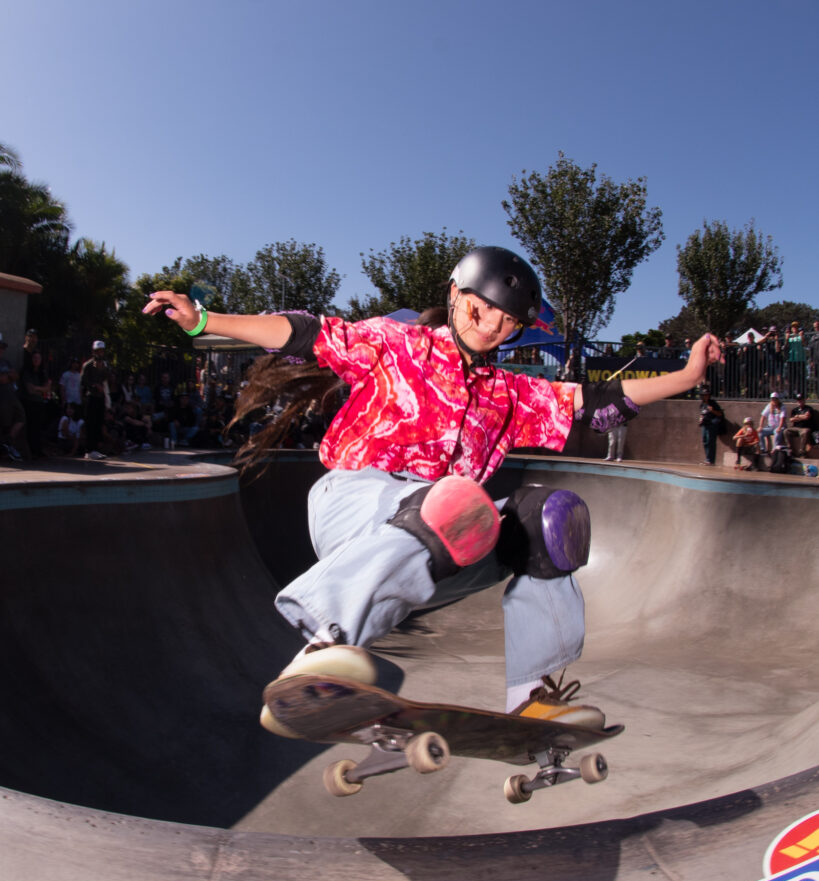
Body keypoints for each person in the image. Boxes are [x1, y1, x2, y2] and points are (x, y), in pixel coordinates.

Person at [144, 245, 721, 726]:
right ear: (454, 297)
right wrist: (204, 320)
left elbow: (596, 403)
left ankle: (532, 700)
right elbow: (305, 334)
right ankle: (323, 650)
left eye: (507, 323)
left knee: (549, 518)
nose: (491, 329)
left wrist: (689, 375)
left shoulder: (509, 393)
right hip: (355, 505)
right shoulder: (395, 345)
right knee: (453, 500)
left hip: (443, 543)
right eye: (479, 313)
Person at [80, 340, 110, 460]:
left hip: (100, 397)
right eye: (98, 351)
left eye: (102, 351)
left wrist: (103, 369)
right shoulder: (88, 365)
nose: (100, 353)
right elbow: (83, 381)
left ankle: (96, 448)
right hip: (91, 396)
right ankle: (89, 449)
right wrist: (94, 386)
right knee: (90, 423)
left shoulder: (104, 364)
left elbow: (107, 377)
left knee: (98, 423)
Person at [698, 385, 724, 465]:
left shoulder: (713, 403)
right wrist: (700, 418)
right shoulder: (702, 404)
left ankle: (711, 460)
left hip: (712, 424)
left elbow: (720, 414)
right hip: (705, 424)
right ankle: (707, 458)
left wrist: (712, 411)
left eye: (706, 395)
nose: (704, 397)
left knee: (711, 441)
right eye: (703, 395)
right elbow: (702, 413)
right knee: (705, 441)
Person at [785, 394, 816, 458]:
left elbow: (807, 417)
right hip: (796, 428)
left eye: (801, 400)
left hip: (804, 428)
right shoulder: (795, 410)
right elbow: (791, 419)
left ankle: (802, 452)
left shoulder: (808, 409)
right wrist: (802, 416)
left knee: (805, 432)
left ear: (804, 400)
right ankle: (790, 450)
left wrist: (797, 416)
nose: (800, 402)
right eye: (798, 400)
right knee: (786, 431)